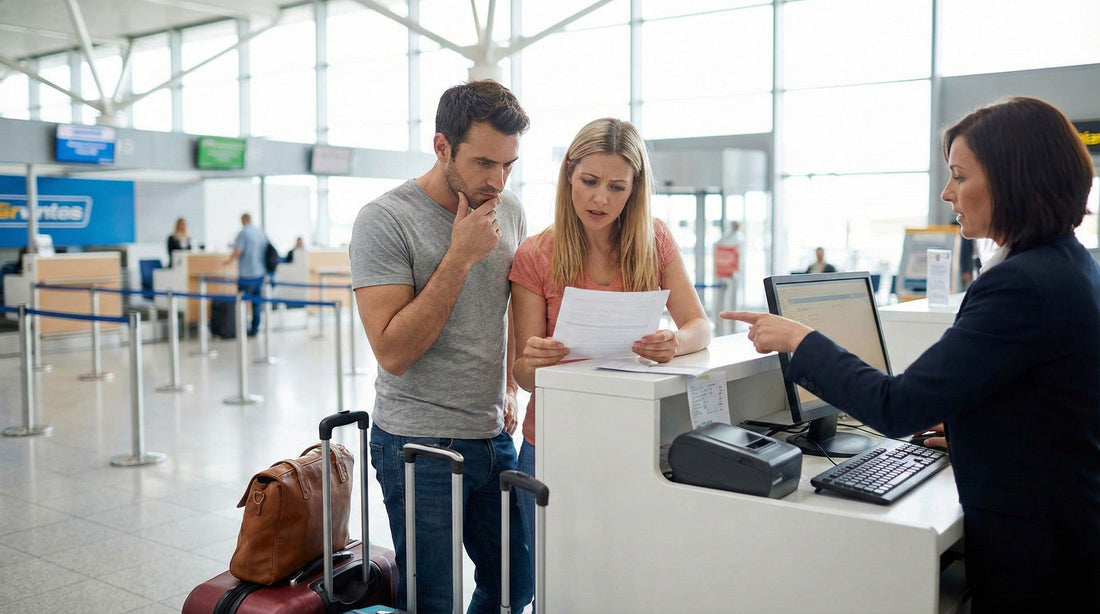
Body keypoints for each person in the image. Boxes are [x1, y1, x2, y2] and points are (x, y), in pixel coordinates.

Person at [722, 97, 1100, 613]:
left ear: (1015, 180)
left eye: (960, 176)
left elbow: (895, 408)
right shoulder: (1069, 264)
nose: (948, 194)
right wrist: (974, 430)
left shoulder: (1021, 283)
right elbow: (1042, 397)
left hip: (1042, 552)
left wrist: (798, 340)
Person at [349, 80, 533, 614]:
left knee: (516, 583)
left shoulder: (510, 210)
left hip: (491, 433)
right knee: (432, 599)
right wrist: (458, 257)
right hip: (418, 441)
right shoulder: (384, 220)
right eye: (483, 163)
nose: (496, 181)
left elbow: (506, 313)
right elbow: (393, 351)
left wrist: (508, 389)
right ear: (442, 147)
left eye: (508, 165)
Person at [509, 117, 712, 567]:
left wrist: (673, 343)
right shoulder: (536, 253)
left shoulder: (654, 239)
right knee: (555, 581)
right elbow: (523, 377)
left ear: (635, 189)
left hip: (631, 435)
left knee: (623, 576)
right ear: (569, 175)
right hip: (553, 440)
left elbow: (700, 325)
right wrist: (535, 359)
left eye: (617, 188)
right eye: (589, 181)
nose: (601, 198)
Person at [224, 212, 267, 336]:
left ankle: (241, 328)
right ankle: (255, 328)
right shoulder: (260, 232)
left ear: (243, 220)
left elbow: (238, 251)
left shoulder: (243, 233)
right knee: (256, 303)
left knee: (241, 303)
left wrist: (228, 261)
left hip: (247, 274)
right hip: (260, 273)